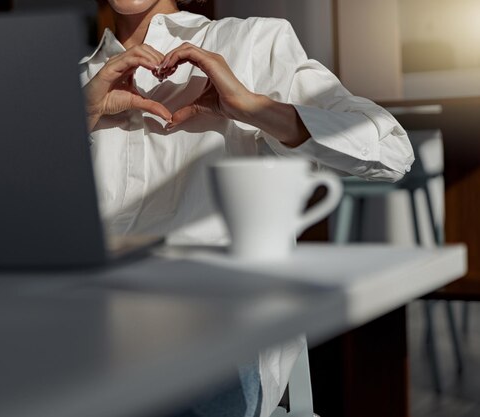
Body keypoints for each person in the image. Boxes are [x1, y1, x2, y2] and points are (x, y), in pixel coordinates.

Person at [80, 0, 414, 415]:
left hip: (210, 331)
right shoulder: (74, 82)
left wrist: (253, 107)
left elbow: (393, 153)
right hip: (82, 328)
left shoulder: (252, 42)